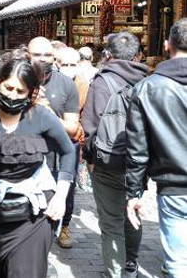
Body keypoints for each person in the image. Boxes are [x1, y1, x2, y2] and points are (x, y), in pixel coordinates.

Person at [0, 58, 75, 278]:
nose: (13, 95)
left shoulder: (42, 116)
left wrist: (61, 195)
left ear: (31, 92)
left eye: (20, 91)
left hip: (35, 214)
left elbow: (68, 151)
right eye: (8, 87)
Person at [81, 32, 148, 278]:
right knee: (133, 212)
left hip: (108, 162)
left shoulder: (102, 82)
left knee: (111, 221)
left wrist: (90, 159)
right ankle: (130, 263)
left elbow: (91, 125)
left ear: (108, 54)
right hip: (139, 161)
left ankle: (118, 271)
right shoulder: (146, 79)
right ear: (137, 55)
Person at [125, 18, 187, 278]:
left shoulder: (146, 89)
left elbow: (138, 149)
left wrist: (134, 192)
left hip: (174, 186)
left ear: (166, 45)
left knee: (178, 263)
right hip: (173, 185)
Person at [28, 37, 80, 249]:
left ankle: (63, 227)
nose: (42, 59)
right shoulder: (17, 79)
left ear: (54, 57)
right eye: (37, 54)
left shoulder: (66, 83)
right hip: (26, 151)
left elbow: (72, 128)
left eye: (47, 55)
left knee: (62, 195)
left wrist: (48, 115)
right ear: (27, 55)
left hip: (57, 153)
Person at [56, 47, 90, 191]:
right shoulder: (51, 82)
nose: (69, 68)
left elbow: (85, 114)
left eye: (72, 65)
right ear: (57, 64)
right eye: (65, 65)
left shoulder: (82, 84)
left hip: (73, 138)